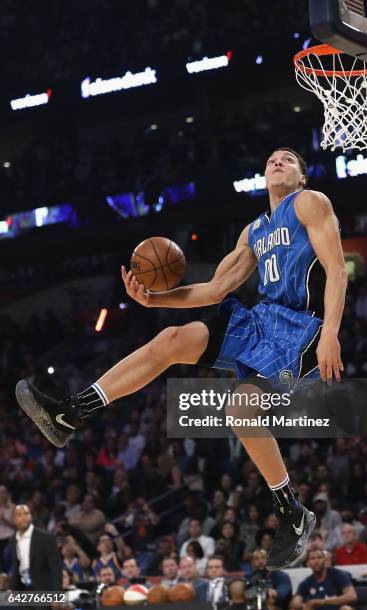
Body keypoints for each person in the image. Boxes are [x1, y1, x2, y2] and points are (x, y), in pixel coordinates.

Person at [16, 148, 347, 570]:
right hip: (260, 320)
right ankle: (73, 413)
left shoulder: (310, 202)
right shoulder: (254, 231)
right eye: (270, 160)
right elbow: (212, 290)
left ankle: (291, 512)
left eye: (287, 160)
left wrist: (332, 332)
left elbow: (336, 269)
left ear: (302, 176)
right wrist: (154, 299)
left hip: (300, 328)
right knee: (172, 339)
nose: (276, 162)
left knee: (240, 410)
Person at [9, 505, 62, 592]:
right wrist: (11, 589)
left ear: (31, 516)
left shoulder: (46, 537)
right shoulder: (13, 539)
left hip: (43, 591)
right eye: (19, 515)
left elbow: (56, 568)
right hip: (23, 591)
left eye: (26, 514)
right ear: (14, 520)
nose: (23, 517)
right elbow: (17, 567)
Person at [289, 548, 357, 610]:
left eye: (319, 557)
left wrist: (323, 601)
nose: (316, 561)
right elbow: (295, 601)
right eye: (312, 558)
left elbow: (352, 596)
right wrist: (301, 605)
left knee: (345, 609)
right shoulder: (307, 582)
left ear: (325, 559)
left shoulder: (337, 574)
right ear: (308, 563)